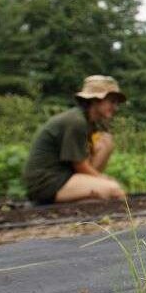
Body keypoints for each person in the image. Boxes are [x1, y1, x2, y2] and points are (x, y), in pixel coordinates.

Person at [23, 75, 127, 204]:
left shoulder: (89, 123)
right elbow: (80, 165)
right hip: (47, 183)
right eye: (112, 102)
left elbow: (86, 158)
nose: (115, 107)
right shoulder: (76, 122)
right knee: (114, 191)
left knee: (106, 142)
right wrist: (104, 180)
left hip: (65, 176)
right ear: (95, 100)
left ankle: (88, 195)